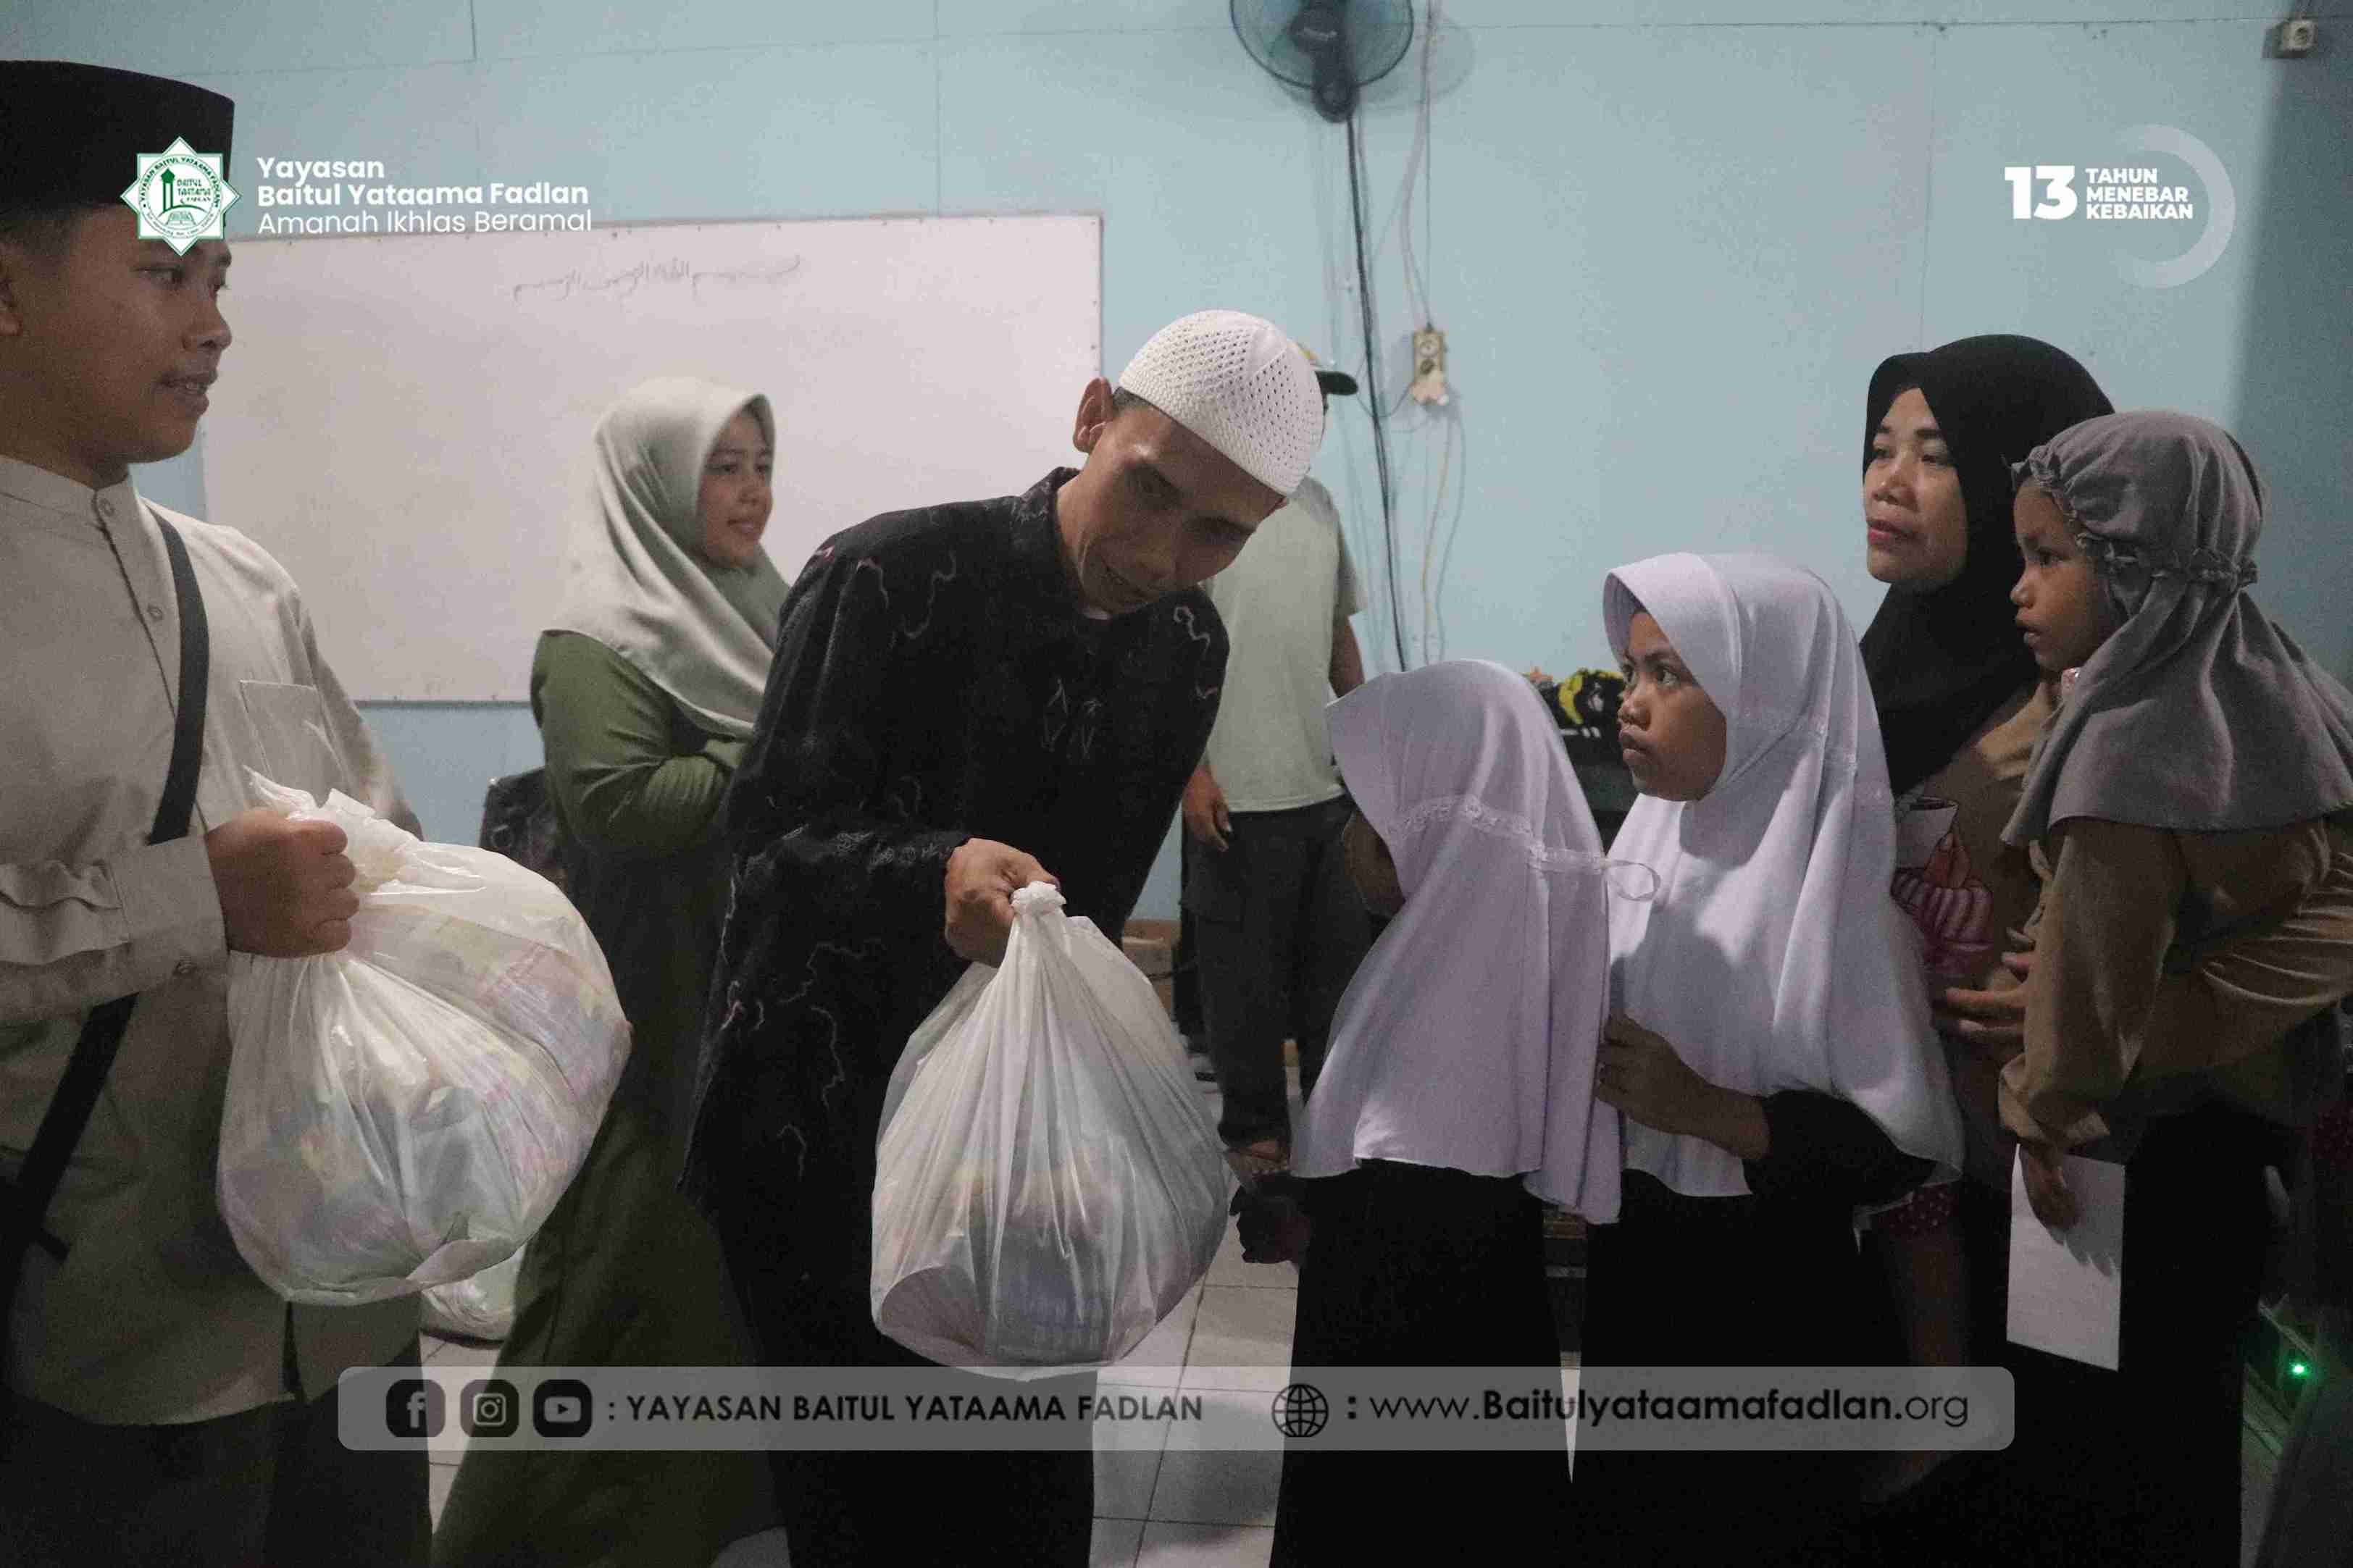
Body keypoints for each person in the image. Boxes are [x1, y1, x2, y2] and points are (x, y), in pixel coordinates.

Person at [680, 308, 1324, 1565]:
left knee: (1023, 1509)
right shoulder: (890, 578)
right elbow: (762, 854)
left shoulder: (1186, 645)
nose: (1165, 552)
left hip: (1020, 1155)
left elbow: (1080, 916)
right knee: (867, 1520)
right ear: (1092, 418)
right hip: (826, 1147)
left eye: (1219, 534)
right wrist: (932, 876)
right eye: (1149, 491)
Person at [0, 61, 427, 1566]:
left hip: (350, 1314)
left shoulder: (241, 580)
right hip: (113, 1340)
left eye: (221, 275)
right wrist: (201, 899)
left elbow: (381, 852)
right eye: (164, 272)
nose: (215, 321)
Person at [1981, 410, 2353, 1568]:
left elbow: (2089, 1009)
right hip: (2242, 1154)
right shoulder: (2295, 691)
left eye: (2051, 558)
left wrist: (2037, 1110)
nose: (2020, 592)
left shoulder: (2124, 749)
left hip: (2125, 1166)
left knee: (2098, 1459)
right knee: (2190, 1448)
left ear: (2141, 562)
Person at [431, 378, 781, 1567]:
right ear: (654, 485)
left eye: (757, 465)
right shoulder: (596, 641)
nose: (747, 492)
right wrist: (770, 744)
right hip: (656, 1000)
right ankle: (520, 1537)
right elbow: (618, 804)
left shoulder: (763, 604)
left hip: (751, 993)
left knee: (723, 1294)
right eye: (719, 468)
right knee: (620, 1285)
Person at [1573, 553, 1963, 1568]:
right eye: (1631, 670)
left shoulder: (1841, 914)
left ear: (1768, 697)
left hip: (1767, 1299)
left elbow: (1895, 1154)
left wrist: (1708, 1109)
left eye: (1672, 673)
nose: (1633, 704)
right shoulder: (1638, 864)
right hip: (1638, 1270)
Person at [1255, 658, 1616, 1565]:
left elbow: (1392, 1200)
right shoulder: (1461, 955)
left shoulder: (1437, 999)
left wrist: (1313, 1212)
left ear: (1432, 815)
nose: (1348, 836)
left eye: (1366, 805)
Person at [1845, 334, 2113, 1504]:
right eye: (1877, 448)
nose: (1885, 482)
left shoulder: (2084, 701)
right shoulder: (1872, 672)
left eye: (1935, 456)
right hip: (1909, 1173)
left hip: (2066, 1171)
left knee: (2058, 1461)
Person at [1179, 348, 1371, 1174]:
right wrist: (1189, 773)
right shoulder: (1204, 512)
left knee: (1335, 975)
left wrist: (1372, 744)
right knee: (1241, 983)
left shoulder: (1322, 509)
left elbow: (1337, 635)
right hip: (1234, 792)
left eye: (1321, 407)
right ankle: (1255, 1131)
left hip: (1322, 789)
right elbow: (1168, 654)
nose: (1313, 420)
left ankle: (1331, 1124)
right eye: (1300, 403)